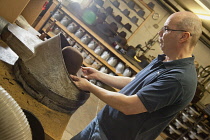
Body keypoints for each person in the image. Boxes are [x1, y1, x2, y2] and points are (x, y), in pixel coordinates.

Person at [70, 11, 202, 140]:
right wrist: (98, 75)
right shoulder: (165, 59)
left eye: (166, 29)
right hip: (101, 124)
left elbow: (129, 106)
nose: (160, 33)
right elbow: (134, 82)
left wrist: (90, 87)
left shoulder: (179, 79)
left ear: (183, 37)